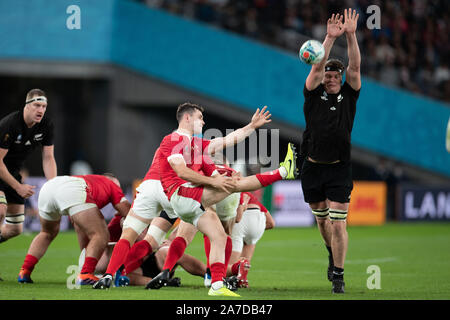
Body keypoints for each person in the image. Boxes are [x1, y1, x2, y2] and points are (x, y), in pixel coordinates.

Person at [94, 102, 298, 297]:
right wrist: (214, 181)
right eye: (200, 118)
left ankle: (112, 275)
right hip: (178, 194)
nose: (203, 122)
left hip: (162, 192)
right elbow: (181, 171)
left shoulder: (195, 144)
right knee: (232, 189)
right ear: (187, 117)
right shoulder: (174, 140)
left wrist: (252, 126)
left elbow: (227, 140)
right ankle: (282, 171)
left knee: (212, 235)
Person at [299, 9, 361, 294]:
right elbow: (314, 66)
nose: (331, 77)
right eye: (328, 73)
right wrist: (328, 37)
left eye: (335, 74)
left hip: (338, 167)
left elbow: (356, 68)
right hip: (312, 167)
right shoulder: (313, 92)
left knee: (338, 224)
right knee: (322, 222)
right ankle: (330, 254)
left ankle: (338, 274)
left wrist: (350, 34)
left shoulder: (349, 95)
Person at [17, 173, 131, 285]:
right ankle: (86, 274)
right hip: (73, 191)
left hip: (49, 187)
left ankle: (24, 271)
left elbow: (80, 228)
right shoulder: (111, 185)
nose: (118, 189)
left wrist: (86, 257)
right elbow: (129, 213)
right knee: (101, 235)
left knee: (47, 233)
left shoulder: (92, 182)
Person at [0, 89, 57, 243]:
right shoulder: (10, 124)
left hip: (12, 173)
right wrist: (18, 187)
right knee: (1, 210)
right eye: (37, 105)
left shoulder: (46, 125)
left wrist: (54, 187)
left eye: (44, 107)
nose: (41, 110)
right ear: (27, 105)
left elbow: (48, 157)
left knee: (15, 229)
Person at [225, 191, 275, 288]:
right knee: (245, 257)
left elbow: (236, 217)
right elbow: (271, 223)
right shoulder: (251, 196)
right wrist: (254, 230)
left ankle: (221, 278)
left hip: (243, 218)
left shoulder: (228, 191)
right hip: (259, 220)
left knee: (229, 267)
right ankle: (241, 279)